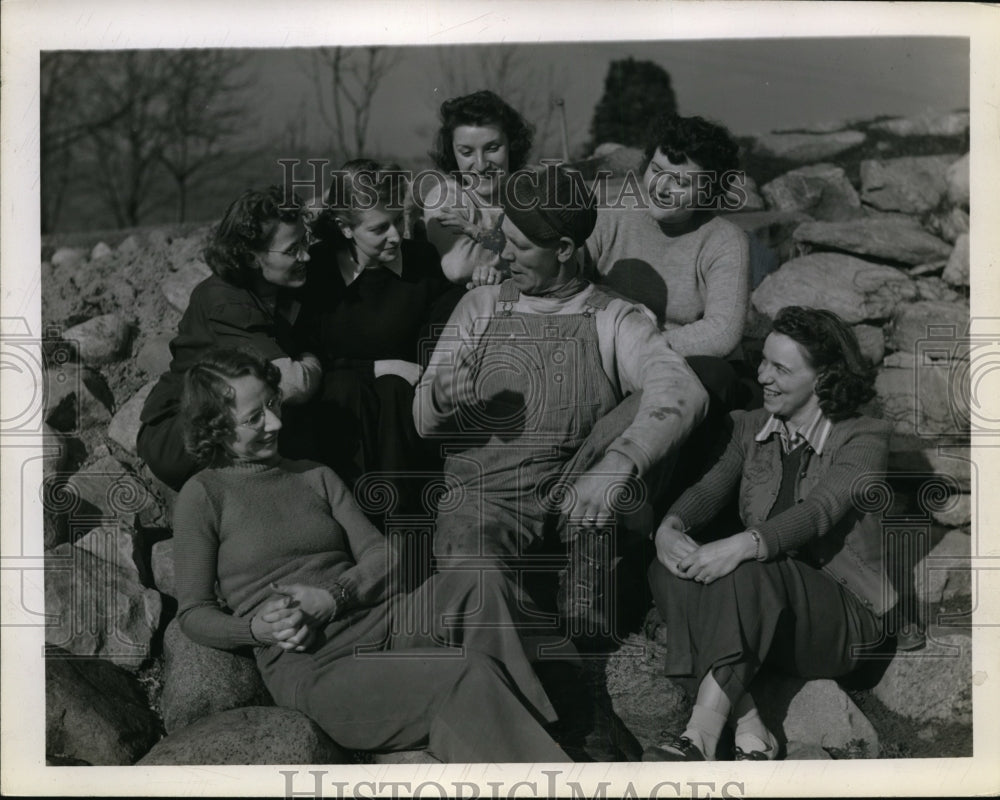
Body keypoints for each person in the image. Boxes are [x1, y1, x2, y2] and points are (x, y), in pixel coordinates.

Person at [172, 347, 571, 763]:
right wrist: (257, 630)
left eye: (272, 403)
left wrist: (333, 597)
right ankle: (548, 771)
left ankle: (551, 734)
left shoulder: (315, 476)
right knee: (465, 674)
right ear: (216, 428)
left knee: (482, 579)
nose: (275, 421)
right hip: (319, 665)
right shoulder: (204, 496)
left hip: (388, 618)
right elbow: (194, 613)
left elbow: (386, 557)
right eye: (254, 417)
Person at [414, 165, 709, 621]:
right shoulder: (481, 305)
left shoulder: (614, 317)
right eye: (502, 236)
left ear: (565, 250)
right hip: (485, 497)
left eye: (521, 246)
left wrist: (619, 462)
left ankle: (586, 588)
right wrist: (440, 398)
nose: (503, 254)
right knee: (474, 592)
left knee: (638, 409)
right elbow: (421, 420)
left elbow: (683, 389)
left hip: (577, 496)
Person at [644, 306, 897, 762]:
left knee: (746, 571)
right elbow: (709, 488)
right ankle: (749, 726)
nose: (763, 375)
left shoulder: (865, 438)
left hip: (842, 619)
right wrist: (670, 527)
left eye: (781, 368)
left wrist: (744, 543)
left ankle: (699, 736)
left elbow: (821, 511)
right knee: (668, 571)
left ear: (824, 379)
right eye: (763, 361)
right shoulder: (751, 426)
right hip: (763, 612)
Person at [298, 159, 462, 519]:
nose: (395, 236)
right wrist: (376, 366)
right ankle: (352, 527)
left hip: (402, 407)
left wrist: (402, 371)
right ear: (345, 228)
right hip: (342, 402)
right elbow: (309, 351)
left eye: (399, 221)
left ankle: (406, 528)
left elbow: (437, 336)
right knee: (346, 389)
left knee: (394, 389)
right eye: (379, 228)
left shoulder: (422, 262)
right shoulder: (319, 271)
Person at [137, 186, 322, 491]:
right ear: (251, 257)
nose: (305, 254)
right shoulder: (225, 302)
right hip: (182, 434)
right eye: (292, 249)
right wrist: (313, 356)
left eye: (305, 241)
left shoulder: (278, 284)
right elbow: (292, 385)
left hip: (239, 413)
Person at [420, 90, 534, 287]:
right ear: (452, 153)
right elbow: (459, 267)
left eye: (492, 148)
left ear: (511, 145)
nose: (481, 165)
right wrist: (532, 254)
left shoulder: (530, 188)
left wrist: (491, 260)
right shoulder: (445, 197)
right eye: (466, 152)